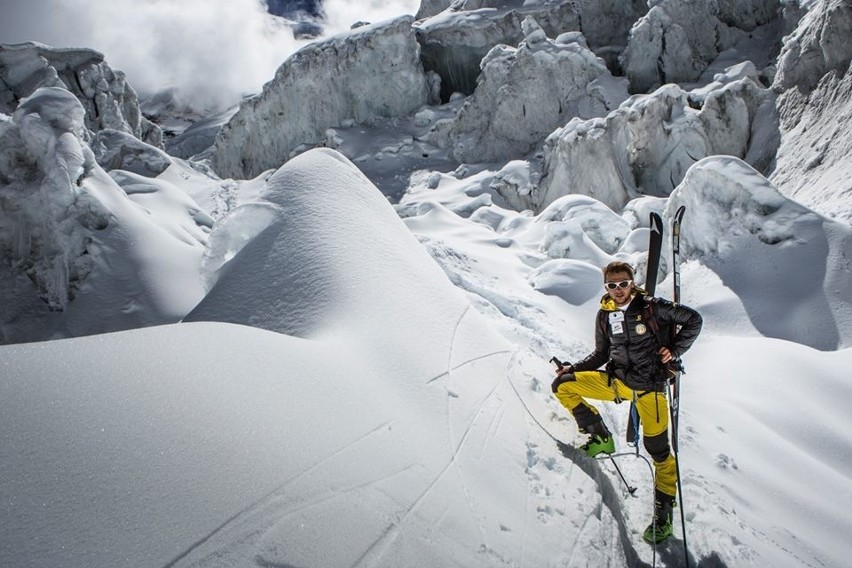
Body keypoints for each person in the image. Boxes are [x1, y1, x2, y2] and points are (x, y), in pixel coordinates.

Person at [551, 261, 702, 544]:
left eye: (623, 283)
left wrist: (674, 349)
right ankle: (601, 438)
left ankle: (663, 512)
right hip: (618, 383)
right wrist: (573, 368)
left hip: (650, 389)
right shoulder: (605, 315)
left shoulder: (653, 307)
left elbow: (694, 320)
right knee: (563, 386)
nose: (618, 290)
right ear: (606, 287)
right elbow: (600, 355)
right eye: (612, 285)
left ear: (632, 282)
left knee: (658, 450)